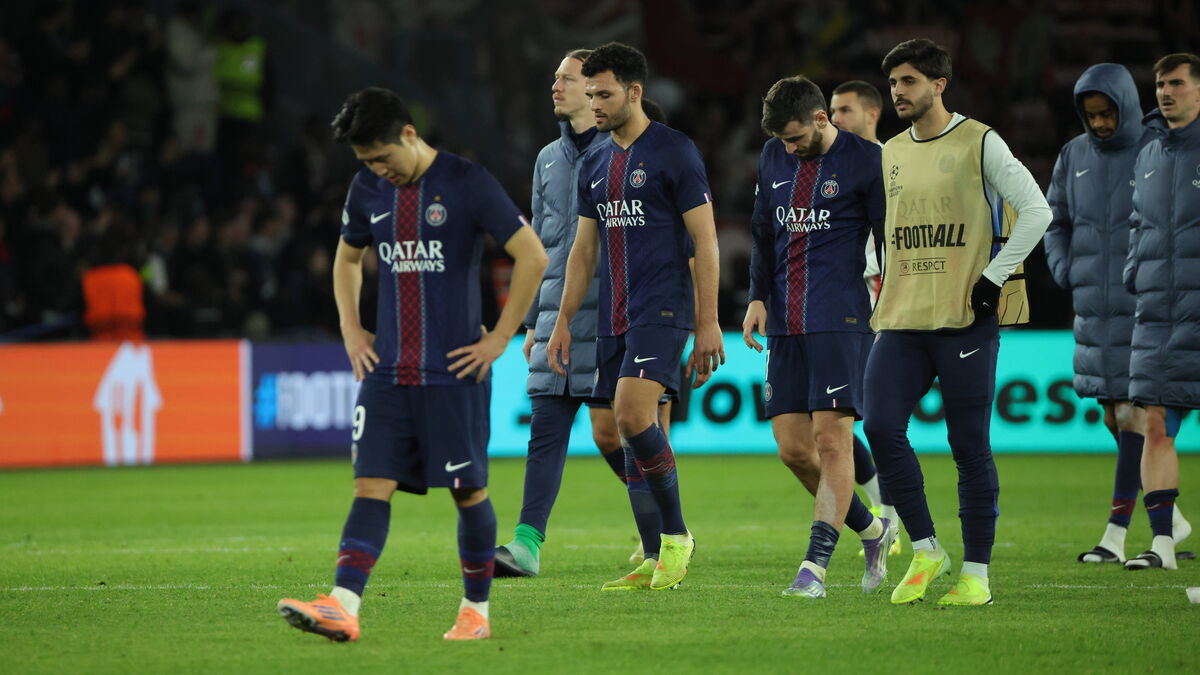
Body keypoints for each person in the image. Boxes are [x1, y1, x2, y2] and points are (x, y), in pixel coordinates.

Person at [276, 87, 547, 641]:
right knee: (369, 485)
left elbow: (532, 254)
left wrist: (499, 337)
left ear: (408, 135)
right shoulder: (367, 187)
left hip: (454, 371)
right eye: (366, 162)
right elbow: (348, 257)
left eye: (382, 157)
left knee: (467, 492)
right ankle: (342, 605)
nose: (378, 170)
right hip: (388, 372)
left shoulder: (467, 182)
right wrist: (352, 329)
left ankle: (476, 612)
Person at [864, 39, 1051, 606]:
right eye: (893, 82)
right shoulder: (890, 150)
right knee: (878, 425)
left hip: (964, 318)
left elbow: (1037, 210)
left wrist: (994, 276)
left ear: (939, 84)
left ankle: (977, 574)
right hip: (902, 316)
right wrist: (877, 272)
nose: (898, 91)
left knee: (968, 446)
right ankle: (926, 548)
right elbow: (888, 227)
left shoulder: (979, 140)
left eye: (910, 81)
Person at [547, 41, 724, 591]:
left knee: (630, 414)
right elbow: (583, 250)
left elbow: (706, 240)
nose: (593, 103)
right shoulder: (595, 160)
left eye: (603, 93)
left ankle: (676, 537)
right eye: (590, 92)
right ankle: (652, 554)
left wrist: (708, 321)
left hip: (663, 307)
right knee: (616, 432)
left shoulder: (674, 151)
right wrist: (562, 318)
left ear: (634, 91)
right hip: (613, 317)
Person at [494, 49, 667, 577]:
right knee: (546, 428)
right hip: (559, 320)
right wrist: (533, 322)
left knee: (615, 434)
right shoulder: (547, 158)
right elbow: (543, 244)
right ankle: (526, 546)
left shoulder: (630, 151)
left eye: (567, 79)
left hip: (618, 319)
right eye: (556, 78)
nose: (557, 86)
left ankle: (665, 529)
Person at [742, 76, 893, 599]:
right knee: (793, 450)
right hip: (786, 320)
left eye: (795, 137)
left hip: (842, 319)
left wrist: (891, 306)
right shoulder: (772, 156)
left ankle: (815, 568)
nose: (788, 148)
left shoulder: (865, 161)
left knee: (833, 441)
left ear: (822, 120)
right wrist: (758, 296)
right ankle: (873, 531)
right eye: (781, 140)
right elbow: (763, 231)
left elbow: (886, 241)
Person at [1043, 63, 1193, 565]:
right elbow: (1054, 221)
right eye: (1092, 116)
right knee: (1113, 415)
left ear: (1126, 106)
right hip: (1092, 306)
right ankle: (1166, 515)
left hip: (1145, 307)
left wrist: (1139, 278)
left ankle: (1117, 533)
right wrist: (1067, 269)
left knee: (1137, 416)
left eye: (1109, 113)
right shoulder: (1073, 156)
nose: (1102, 124)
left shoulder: (1155, 148)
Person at [1123, 52, 1200, 571]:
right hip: (1157, 315)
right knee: (1154, 427)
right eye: (1159, 84)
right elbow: (1137, 223)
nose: (1165, 92)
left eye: (1176, 83)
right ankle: (1162, 546)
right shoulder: (1148, 153)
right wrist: (1135, 272)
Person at [830, 79, 903, 554]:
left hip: (887, 303)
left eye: (845, 111)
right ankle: (886, 514)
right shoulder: (827, 167)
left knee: (880, 418)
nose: (835, 120)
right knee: (839, 421)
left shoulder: (895, 163)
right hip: (845, 306)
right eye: (831, 111)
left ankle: (891, 517)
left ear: (872, 114)